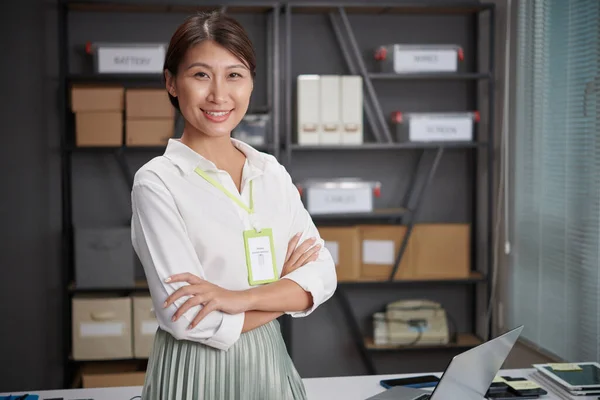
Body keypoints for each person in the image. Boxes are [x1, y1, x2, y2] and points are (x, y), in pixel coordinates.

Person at [130, 11, 337, 400]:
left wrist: (240, 299)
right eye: (201, 75)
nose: (219, 95)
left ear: (251, 83)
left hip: (270, 360)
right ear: (172, 83)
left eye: (235, 75)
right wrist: (283, 292)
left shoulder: (270, 172)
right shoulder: (158, 182)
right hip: (193, 368)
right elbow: (188, 319)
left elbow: (323, 275)